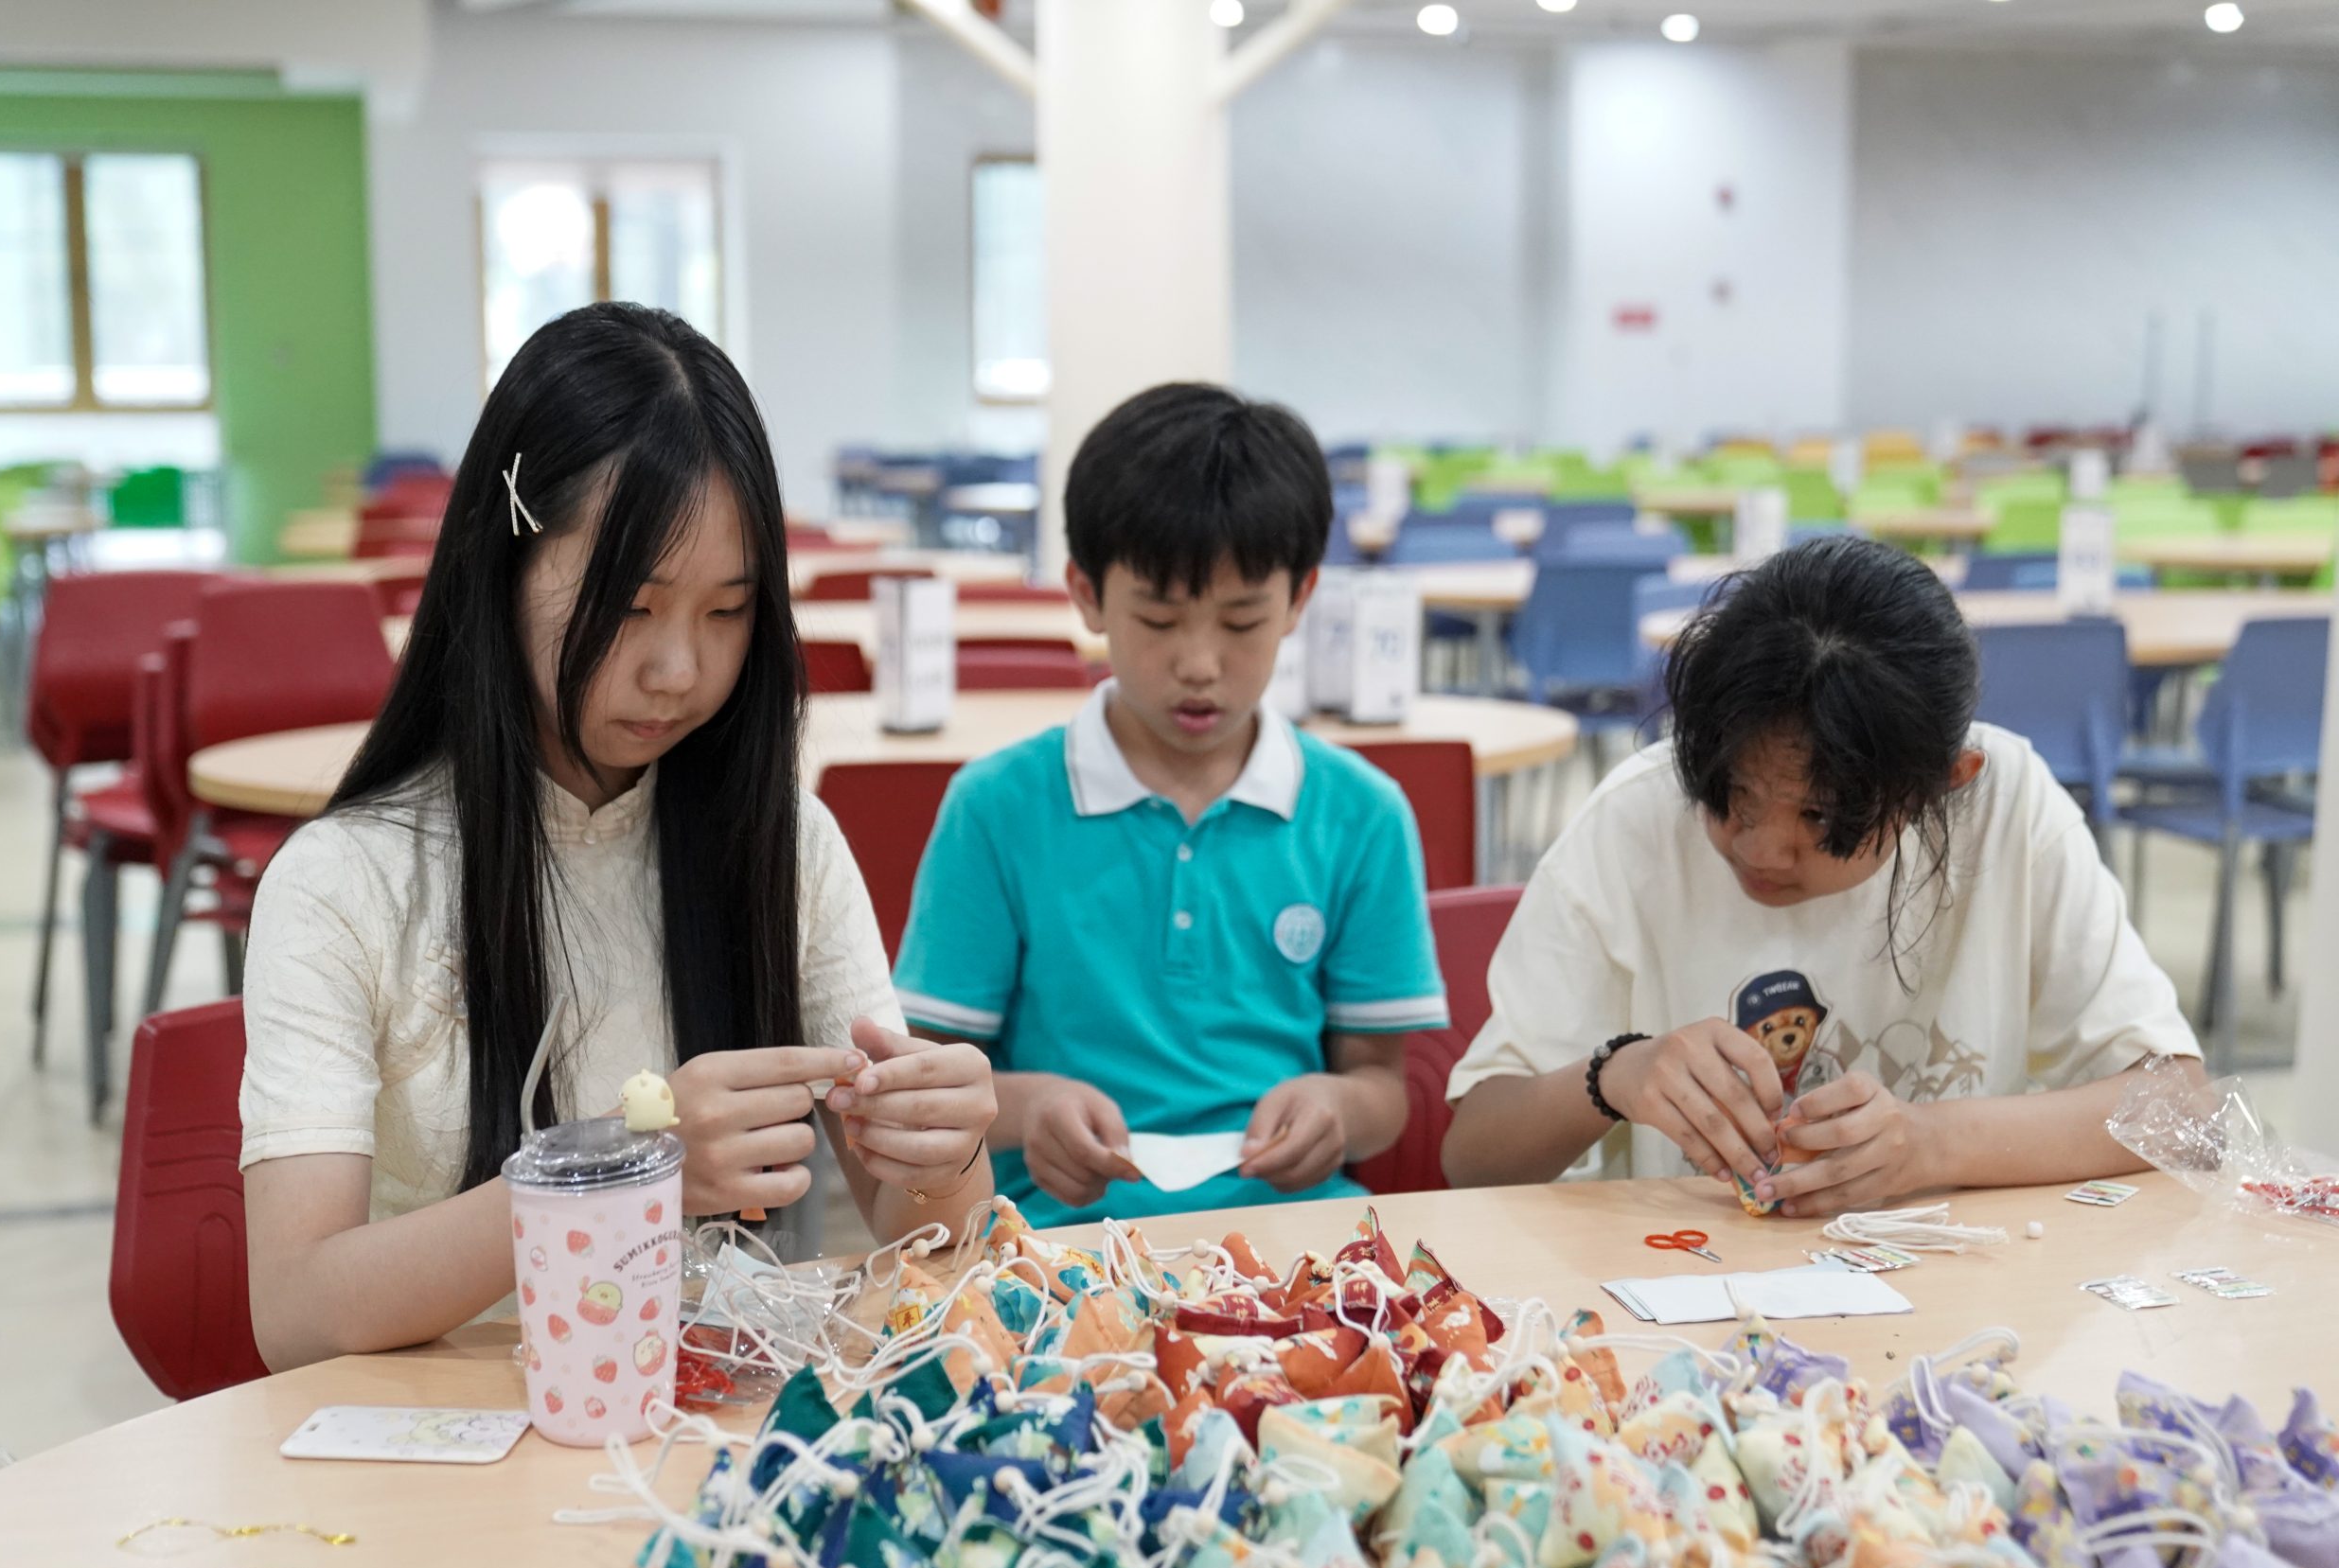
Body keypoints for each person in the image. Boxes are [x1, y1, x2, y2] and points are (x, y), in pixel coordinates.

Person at [239, 304, 996, 1370]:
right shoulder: (344, 881)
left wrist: (945, 1150)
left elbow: (932, 1244)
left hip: (719, 1436)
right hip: (446, 1436)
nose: (678, 670)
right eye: (632, 607)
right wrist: (620, 1171)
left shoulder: (783, 845)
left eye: (726, 612)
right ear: (501, 565)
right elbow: (297, 1314)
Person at [1442, 537, 2201, 1214]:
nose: (1762, 848)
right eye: (1732, 794)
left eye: (1820, 816)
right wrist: (1613, 1075)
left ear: (1944, 784)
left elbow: (2182, 1109)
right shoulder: (1635, 819)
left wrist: (1930, 1143)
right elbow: (1471, 1158)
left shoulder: (2007, 806)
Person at [894, 382, 1447, 1227]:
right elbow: (924, 1081)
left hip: (1298, 1230)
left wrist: (1338, 1108)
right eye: (1158, 619)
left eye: (1241, 622)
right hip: (1057, 1235)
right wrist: (1029, 1107)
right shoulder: (997, 809)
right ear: (1087, 593)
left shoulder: (1361, 814)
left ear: (1300, 598)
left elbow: (1381, 1082)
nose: (1199, 663)